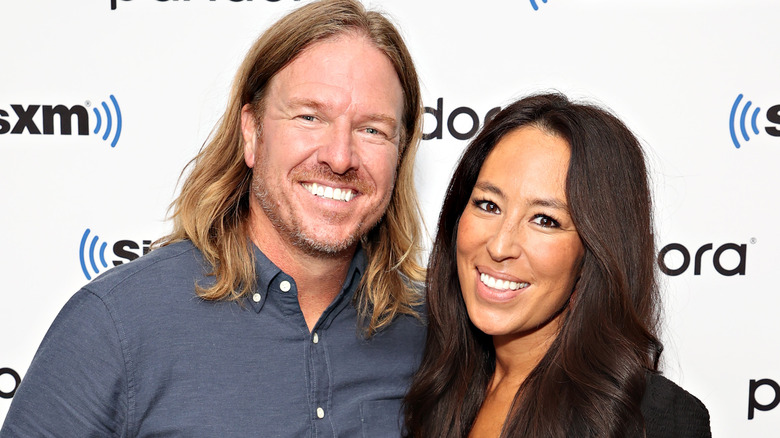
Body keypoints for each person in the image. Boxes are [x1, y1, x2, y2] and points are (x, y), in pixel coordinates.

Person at [1, 0, 426, 436]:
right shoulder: (116, 325)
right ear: (251, 133)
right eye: (309, 117)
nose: (339, 157)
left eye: (372, 129)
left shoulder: (435, 335)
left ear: (400, 152)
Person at [403, 93, 711, 438]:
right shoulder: (431, 386)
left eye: (545, 220)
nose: (500, 245)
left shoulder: (652, 420)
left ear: (593, 253)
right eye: (489, 205)